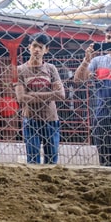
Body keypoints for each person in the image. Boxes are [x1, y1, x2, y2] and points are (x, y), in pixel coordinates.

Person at [14, 33, 65, 165]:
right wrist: (48, 95)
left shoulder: (51, 69)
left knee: (52, 159)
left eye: (41, 47)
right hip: (31, 119)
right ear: (29, 47)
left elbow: (61, 95)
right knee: (32, 159)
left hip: (51, 119)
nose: (37, 49)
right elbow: (21, 97)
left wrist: (33, 95)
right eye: (34, 46)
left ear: (46, 50)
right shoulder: (19, 70)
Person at [74, 25, 111, 166]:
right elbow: (78, 80)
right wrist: (86, 60)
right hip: (102, 116)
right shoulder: (98, 61)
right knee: (105, 161)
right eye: (108, 38)